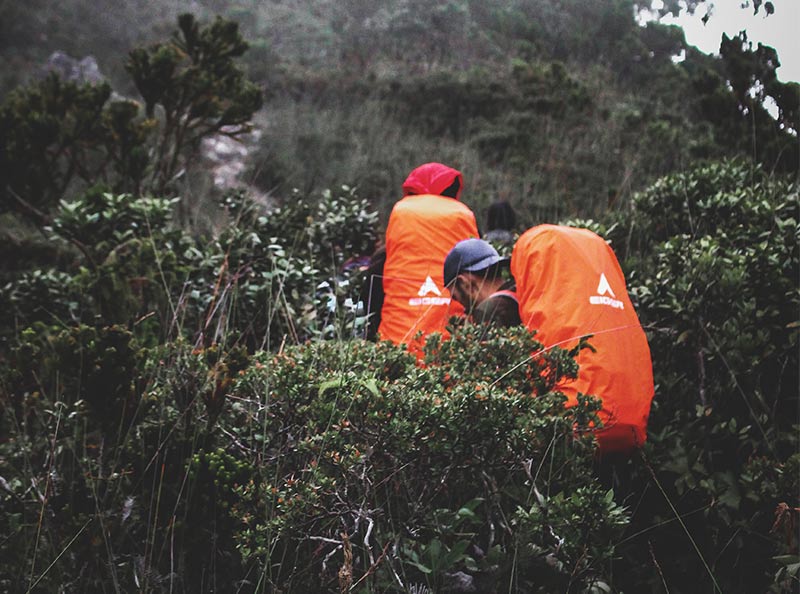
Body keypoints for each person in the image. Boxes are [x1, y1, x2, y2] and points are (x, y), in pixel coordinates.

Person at [443, 227, 654, 453]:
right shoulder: (526, 296)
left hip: (558, 432)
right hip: (616, 415)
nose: (462, 307)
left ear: (465, 282)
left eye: (457, 297)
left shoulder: (490, 311)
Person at [370, 162, 479, 352]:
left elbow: (373, 294)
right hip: (455, 354)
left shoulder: (400, 219)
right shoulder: (463, 216)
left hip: (396, 351)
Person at [442, 238, 520, 327]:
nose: (463, 308)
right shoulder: (523, 293)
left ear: (464, 283)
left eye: (455, 297)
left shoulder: (487, 311)